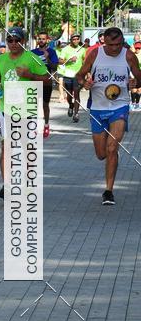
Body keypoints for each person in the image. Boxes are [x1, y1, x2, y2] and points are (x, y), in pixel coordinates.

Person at [76, 27, 141, 205]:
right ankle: (111, 158)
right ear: (104, 41)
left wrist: (135, 82)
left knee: (112, 148)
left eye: (119, 44)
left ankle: (108, 191)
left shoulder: (129, 56)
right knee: (101, 154)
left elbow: (139, 77)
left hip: (120, 106)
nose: (115, 48)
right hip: (97, 108)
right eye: (111, 45)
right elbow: (79, 76)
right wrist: (85, 83)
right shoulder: (95, 54)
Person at [0, 27, 48, 199]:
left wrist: (29, 75)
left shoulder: (32, 58)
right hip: (6, 109)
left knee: (27, 148)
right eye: (10, 40)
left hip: (26, 110)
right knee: (6, 147)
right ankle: (7, 185)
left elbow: (47, 79)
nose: (14, 43)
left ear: (23, 41)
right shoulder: (2, 59)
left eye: (17, 40)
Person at [31, 31, 59, 138]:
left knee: (45, 105)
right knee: (33, 105)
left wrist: (47, 58)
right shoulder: (32, 52)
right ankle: (33, 127)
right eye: (40, 39)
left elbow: (54, 67)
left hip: (46, 82)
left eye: (43, 39)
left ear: (47, 40)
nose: (41, 41)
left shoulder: (51, 52)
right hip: (34, 82)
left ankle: (46, 125)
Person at [58, 32, 86, 122]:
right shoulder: (65, 49)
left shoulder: (82, 49)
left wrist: (86, 73)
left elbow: (85, 61)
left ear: (79, 40)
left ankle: (76, 114)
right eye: (74, 39)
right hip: (68, 75)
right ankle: (71, 105)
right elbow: (60, 61)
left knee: (76, 94)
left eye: (77, 39)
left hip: (78, 76)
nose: (76, 41)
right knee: (69, 96)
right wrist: (69, 60)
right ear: (71, 40)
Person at [131, 42, 141, 110]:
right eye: (136, 48)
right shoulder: (132, 55)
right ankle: (133, 103)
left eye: (139, 48)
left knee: (139, 90)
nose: (137, 49)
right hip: (133, 74)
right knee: (133, 90)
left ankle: (137, 104)